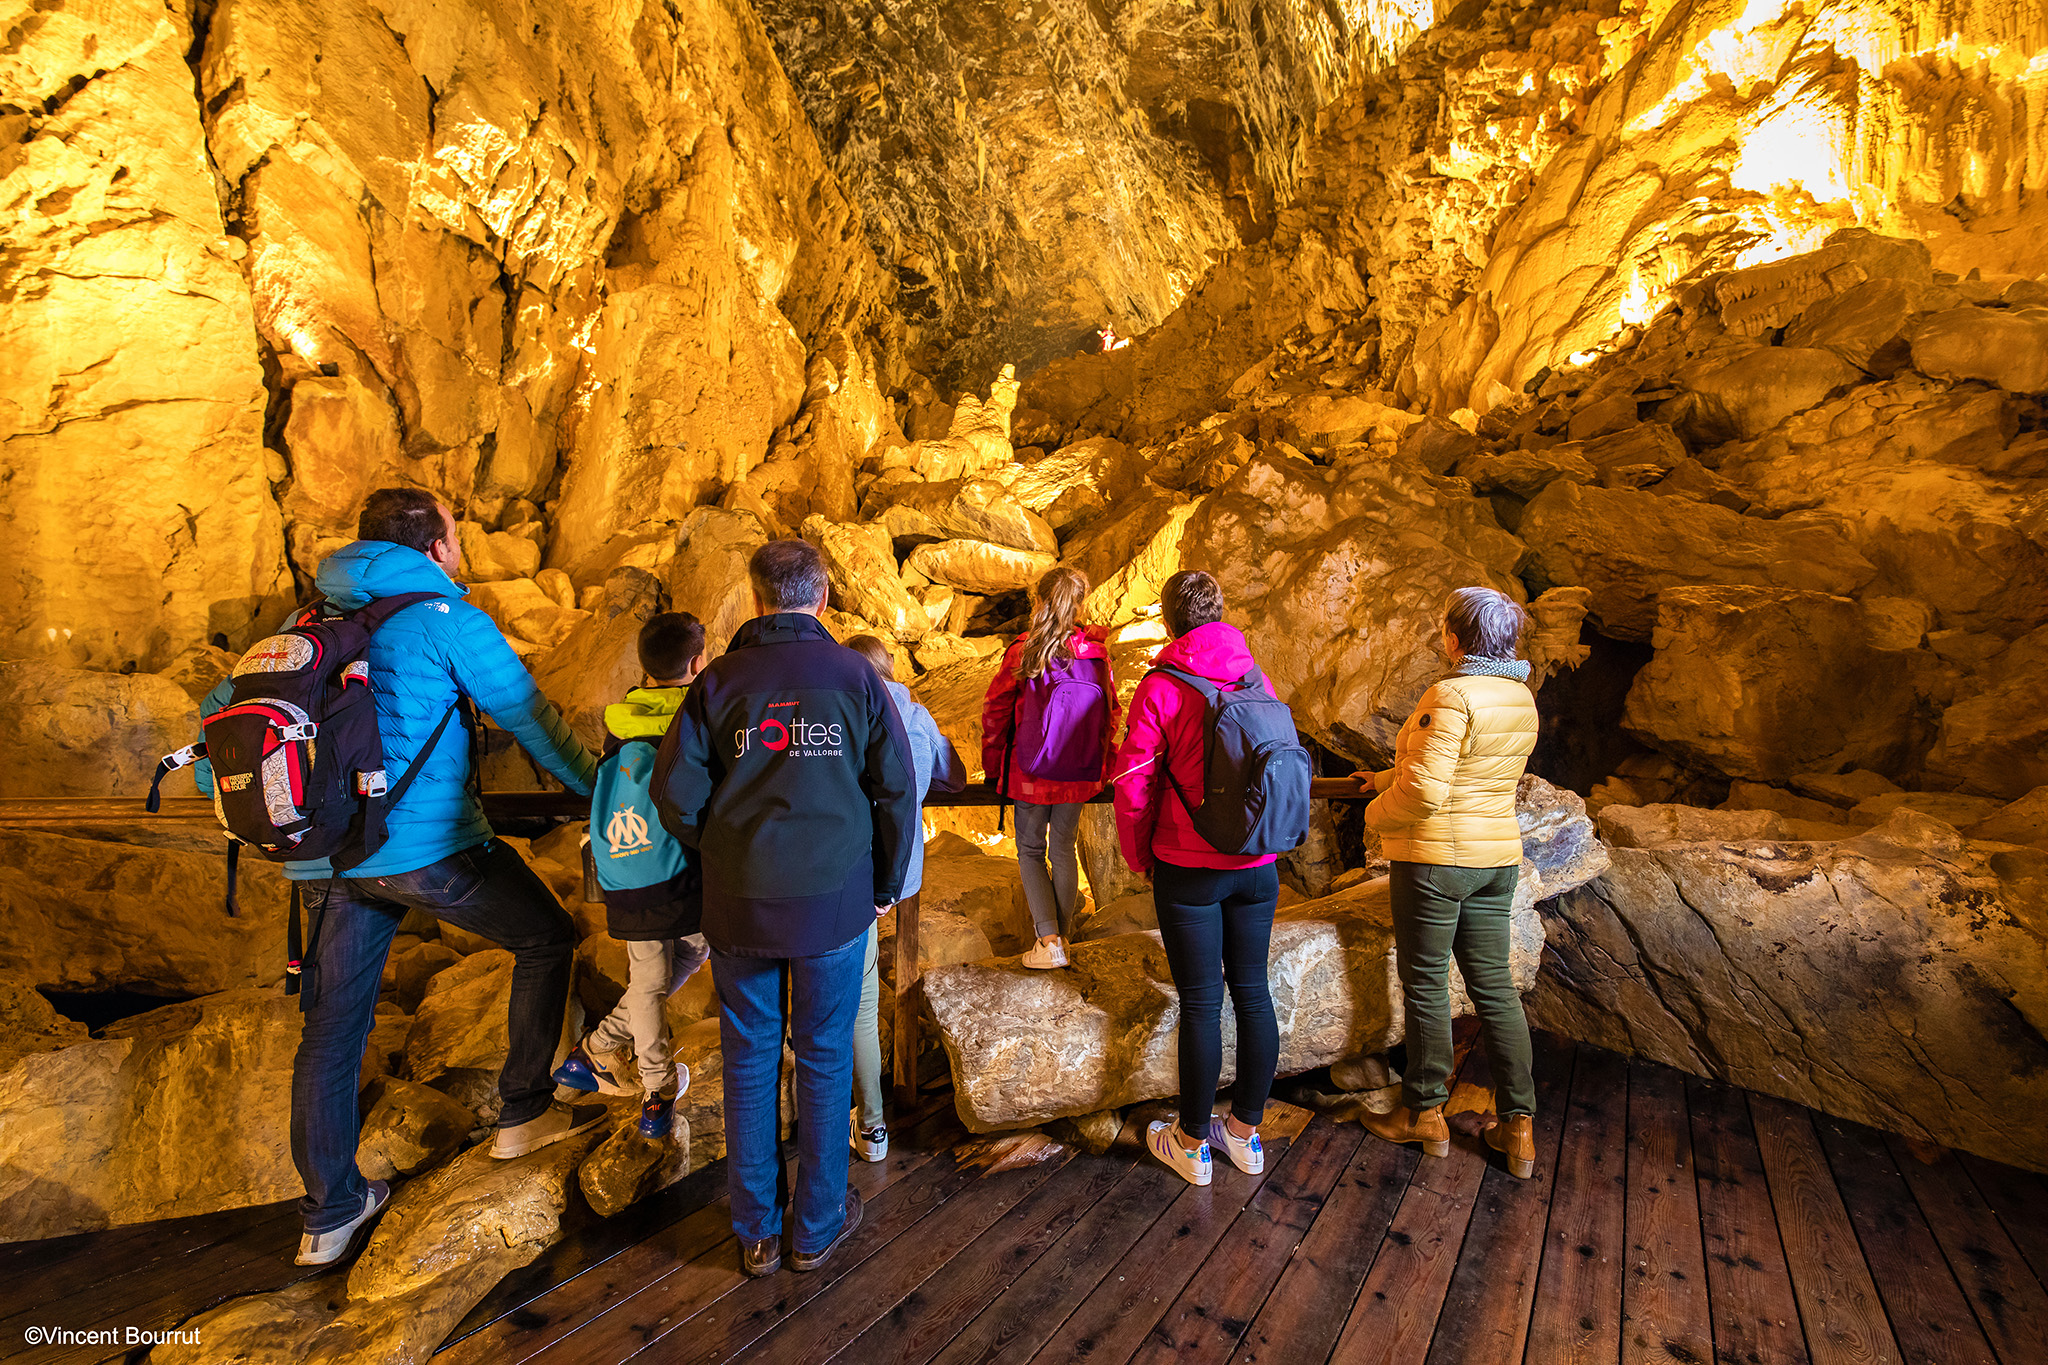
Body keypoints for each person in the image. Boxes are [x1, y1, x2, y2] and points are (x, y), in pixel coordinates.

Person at [196, 487, 603, 1267]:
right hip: (426, 853)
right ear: (434, 548)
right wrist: (606, 794)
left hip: (327, 860)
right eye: (455, 535)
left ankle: (328, 1215)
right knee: (546, 937)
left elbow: (220, 718)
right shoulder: (444, 620)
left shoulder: (300, 625)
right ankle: (523, 1116)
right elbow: (534, 721)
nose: (459, 548)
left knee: (332, 1029)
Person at [653, 541, 918, 1277]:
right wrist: (885, 881)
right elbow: (897, 788)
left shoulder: (719, 682)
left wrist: (722, 846)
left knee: (749, 1058)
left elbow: (671, 792)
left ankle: (758, 1232)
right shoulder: (855, 676)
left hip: (739, 905)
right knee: (826, 1055)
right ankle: (817, 1225)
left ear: (756, 597)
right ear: (823, 597)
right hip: (834, 903)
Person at [1355, 587, 1541, 1179]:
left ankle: (1425, 1114)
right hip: (1495, 859)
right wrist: (1383, 774)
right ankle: (1517, 1128)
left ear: (1456, 639)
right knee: (1495, 988)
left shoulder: (1452, 694)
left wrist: (1374, 812)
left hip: (1436, 861)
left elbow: (1430, 790)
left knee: (1428, 984)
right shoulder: (1520, 696)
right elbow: (1470, 766)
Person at [1111, 570, 1281, 1186]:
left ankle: (1191, 1142)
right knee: (1254, 993)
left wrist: (1139, 854)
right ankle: (1245, 1135)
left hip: (1189, 865)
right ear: (1220, 612)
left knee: (1203, 1001)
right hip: (1258, 863)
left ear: (1169, 621)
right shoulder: (1252, 674)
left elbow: (1134, 782)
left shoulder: (1161, 686)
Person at [553, 612, 713, 1139]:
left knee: (653, 977)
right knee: (688, 953)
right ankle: (657, 1089)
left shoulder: (622, 719)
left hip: (626, 866)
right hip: (679, 868)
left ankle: (595, 1054)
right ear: (698, 662)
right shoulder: (696, 716)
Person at [843, 635, 967, 1161]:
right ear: (891, 668)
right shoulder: (915, 715)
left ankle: (870, 1120)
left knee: (860, 996)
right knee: (875, 987)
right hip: (899, 872)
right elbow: (955, 778)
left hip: (847, 872)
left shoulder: (843, 712)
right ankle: (888, 1106)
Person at [980, 566, 1119, 970]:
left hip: (1031, 773)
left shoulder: (1024, 651)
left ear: (1038, 602)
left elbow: (995, 711)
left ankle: (1050, 939)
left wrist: (994, 768)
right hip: (1079, 772)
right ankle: (1064, 941)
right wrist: (1102, 766)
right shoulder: (1096, 654)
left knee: (1029, 849)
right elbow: (1111, 713)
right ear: (1079, 605)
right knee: (1063, 849)